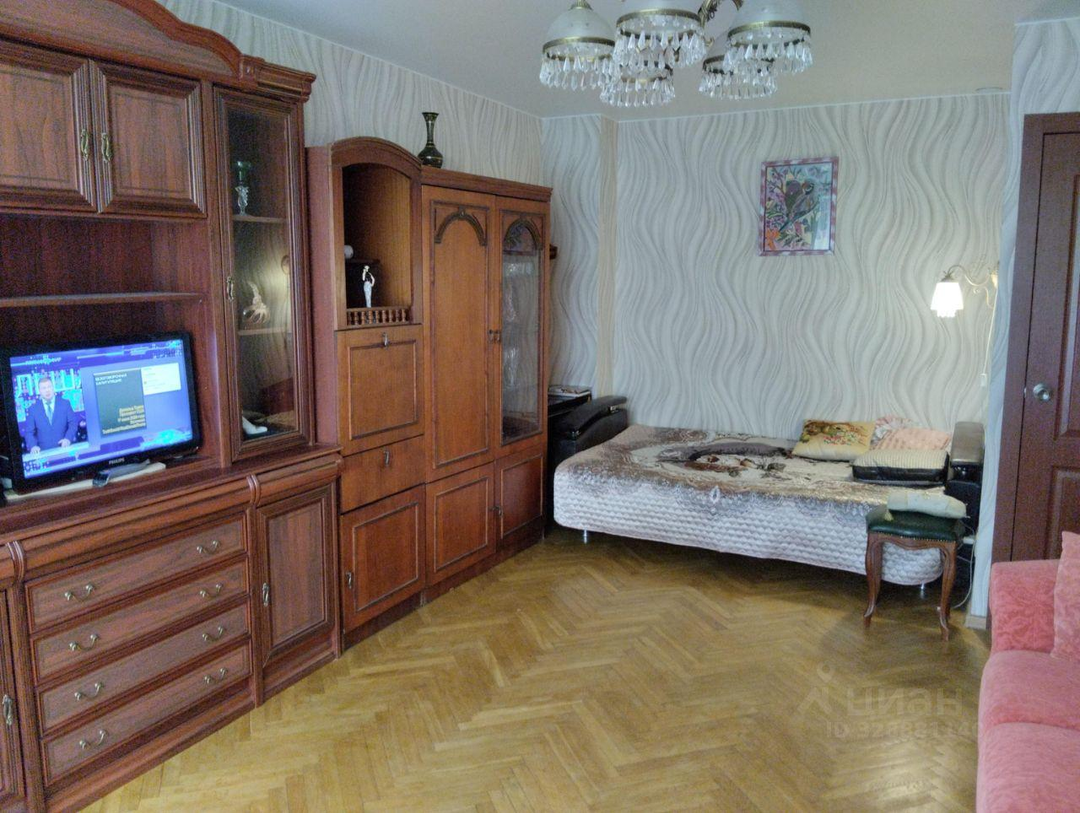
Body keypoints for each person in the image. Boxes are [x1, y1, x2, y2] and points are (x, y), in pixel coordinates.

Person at [24, 377, 78, 453]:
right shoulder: (33, 409)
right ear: (39, 391)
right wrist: (33, 446)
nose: (47, 390)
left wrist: (68, 439)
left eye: (49, 387)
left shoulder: (65, 404)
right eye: (44, 388)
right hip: (43, 453)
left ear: (53, 388)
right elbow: (29, 432)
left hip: (64, 449)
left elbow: (73, 424)